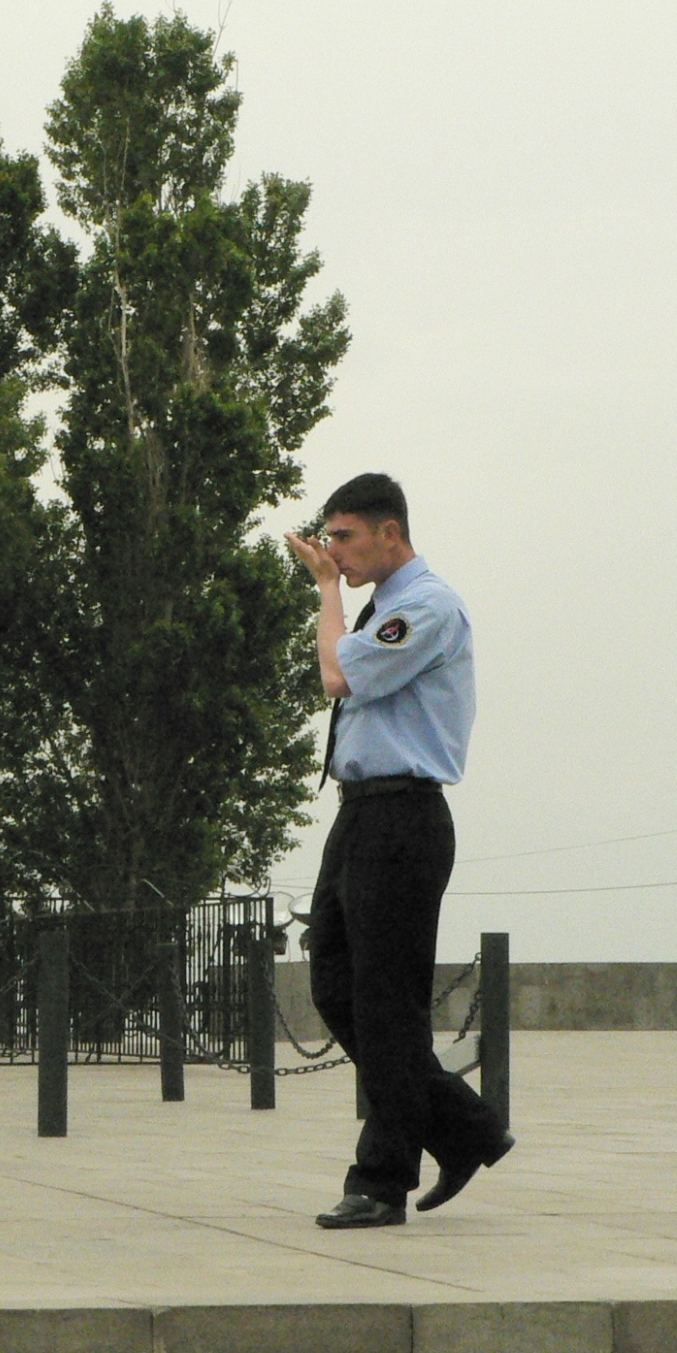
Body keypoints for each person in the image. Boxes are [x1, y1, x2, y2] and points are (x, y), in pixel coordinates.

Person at [284, 473, 514, 1229]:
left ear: (390, 533)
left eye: (345, 537)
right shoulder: (387, 606)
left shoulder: (427, 606)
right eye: (328, 538)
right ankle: (465, 1129)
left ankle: (381, 1182)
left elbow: (338, 675)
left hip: (404, 815)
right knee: (334, 986)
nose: (334, 551)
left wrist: (326, 590)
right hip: (360, 813)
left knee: (387, 1004)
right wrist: (338, 591)